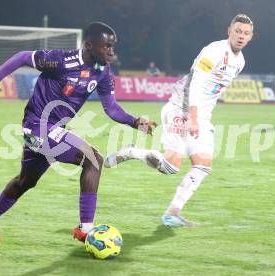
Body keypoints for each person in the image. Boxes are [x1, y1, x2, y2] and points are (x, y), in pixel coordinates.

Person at [0, 22, 156, 242]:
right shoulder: (61, 60)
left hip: (53, 130)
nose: (111, 52)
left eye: (113, 47)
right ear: (90, 45)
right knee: (94, 159)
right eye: (107, 46)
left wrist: (134, 122)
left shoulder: (102, 71)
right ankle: (85, 229)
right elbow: (23, 56)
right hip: (37, 126)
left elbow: (111, 108)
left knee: (27, 181)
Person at [104, 14, 254, 227]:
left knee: (203, 166)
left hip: (200, 116)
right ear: (229, 31)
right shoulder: (215, 51)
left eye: (246, 33)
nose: (241, 36)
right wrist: (192, 118)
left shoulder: (240, 62)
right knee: (171, 167)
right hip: (181, 109)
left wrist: (200, 118)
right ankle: (131, 152)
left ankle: (172, 214)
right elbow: (197, 83)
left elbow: (212, 92)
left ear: (251, 37)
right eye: (238, 31)